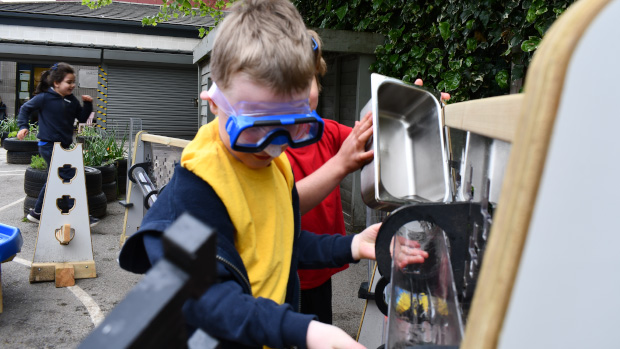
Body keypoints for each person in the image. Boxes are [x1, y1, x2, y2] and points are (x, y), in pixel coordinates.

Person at [117, 1, 428, 348]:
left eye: (294, 129)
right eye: (255, 130)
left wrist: (351, 245)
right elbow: (205, 297)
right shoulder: (199, 190)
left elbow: (279, 240)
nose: (274, 148)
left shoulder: (274, 166)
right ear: (214, 102)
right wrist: (304, 330)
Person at [285, 30, 374, 325]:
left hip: (320, 261)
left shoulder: (329, 131)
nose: (298, 90)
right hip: (280, 269)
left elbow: (375, 143)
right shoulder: (261, 147)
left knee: (320, 327)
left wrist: (407, 114)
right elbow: (284, 205)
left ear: (318, 84)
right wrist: (339, 164)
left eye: (306, 78)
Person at [17, 62, 100, 228]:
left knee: (56, 178)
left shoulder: (71, 101)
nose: (72, 85)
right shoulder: (44, 98)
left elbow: (82, 119)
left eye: (73, 82)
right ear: (56, 83)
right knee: (66, 177)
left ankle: (37, 212)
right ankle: (79, 215)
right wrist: (23, 126)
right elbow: (25, 109)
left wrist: (88, 105)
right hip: (48, 145)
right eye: (68, 82)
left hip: (63, 146)